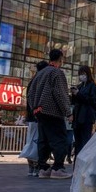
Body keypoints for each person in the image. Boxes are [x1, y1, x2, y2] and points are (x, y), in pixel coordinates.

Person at [27, 49, 72, 180]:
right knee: (59, 139)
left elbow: (30, 94)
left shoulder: (40, 74)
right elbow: (60, 94)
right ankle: (58, 168)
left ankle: (43, 168)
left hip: (39, 111)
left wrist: (34, 108)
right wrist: (68, 112)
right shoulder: (57, 73)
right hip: (52, 111)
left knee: (44, 140)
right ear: (60, 59)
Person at [24, 61, 49, 177]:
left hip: (33, 117)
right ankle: (36, 166)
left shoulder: (33, 81)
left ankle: (32, 167)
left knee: (31, 141)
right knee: (37, 141)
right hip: (37, 117)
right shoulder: (39, 81)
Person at [71, 65, 96, 157]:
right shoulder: (80, 86)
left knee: (84, 143)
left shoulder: (93, 86)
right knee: (77, 144)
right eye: (80, 74)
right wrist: (73, 95)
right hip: (77, 118)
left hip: (86, 118)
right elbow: (74, 103)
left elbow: (92, 101)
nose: (81, 76)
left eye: (83, 74)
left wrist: (79, 94)